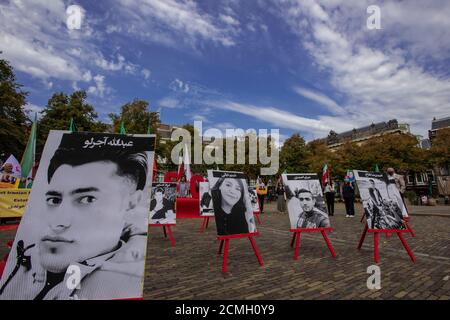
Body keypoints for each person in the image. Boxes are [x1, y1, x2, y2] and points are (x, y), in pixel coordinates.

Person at [0, 133, 151, 300]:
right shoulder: (17, 261)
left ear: (132, 201)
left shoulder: (125, 284)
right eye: (54, 200)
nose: (58, 221)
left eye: (87, 199)